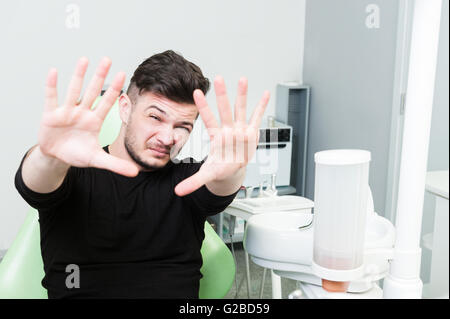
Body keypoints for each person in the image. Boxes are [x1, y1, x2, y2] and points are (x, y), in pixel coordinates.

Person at [14, 50, 270, 298]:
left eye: (183, 126)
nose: (168, 137)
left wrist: (234, 168)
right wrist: (51, 155)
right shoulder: (70, 175)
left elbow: (220, 184)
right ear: (125, 108)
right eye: (155, 117)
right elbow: (35, 182)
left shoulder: (189, 181)